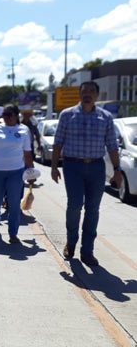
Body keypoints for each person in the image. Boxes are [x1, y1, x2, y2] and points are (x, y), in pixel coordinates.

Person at [51, 81, 121, 266]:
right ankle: (71, 241)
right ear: (79, 94)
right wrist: (53, 166)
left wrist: (117, 170)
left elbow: (112, 146)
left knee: (93, 209)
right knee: (74, 206)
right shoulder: (67, 115)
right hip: (73, 166)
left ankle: (87, 251)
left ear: (97, 95)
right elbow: (58, 142)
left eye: (91, 91)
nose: (87, 94)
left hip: (97, 168)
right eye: (84, 91)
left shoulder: (106, 117)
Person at [0, 105, 35, 243]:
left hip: (16, 171)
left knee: (14, 203)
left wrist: (31, 173)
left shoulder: (23, 130)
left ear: (16, 116)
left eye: (9, 114)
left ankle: (13, 232)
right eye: (4, 114)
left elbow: (27, 154)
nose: (6, 117)